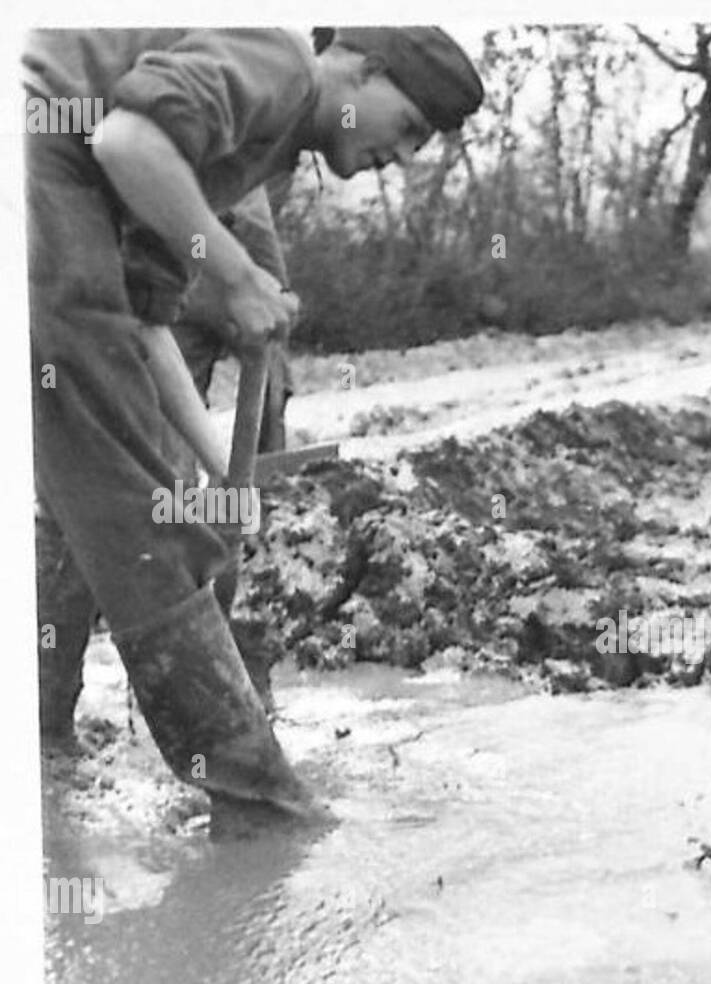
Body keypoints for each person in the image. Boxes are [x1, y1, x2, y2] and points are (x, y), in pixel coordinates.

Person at [26, 27, 483, 829]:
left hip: (54, 191)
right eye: (408, 127)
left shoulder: (254, 156)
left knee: (128, 482)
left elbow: (142, 321)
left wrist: (223, 476)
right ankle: (256, 796)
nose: (403, 158)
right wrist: (237, 278)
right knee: (127, 496)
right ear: (362, 69)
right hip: (32, 156)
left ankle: (47, 747)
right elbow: (127, 139)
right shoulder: (282, 66)